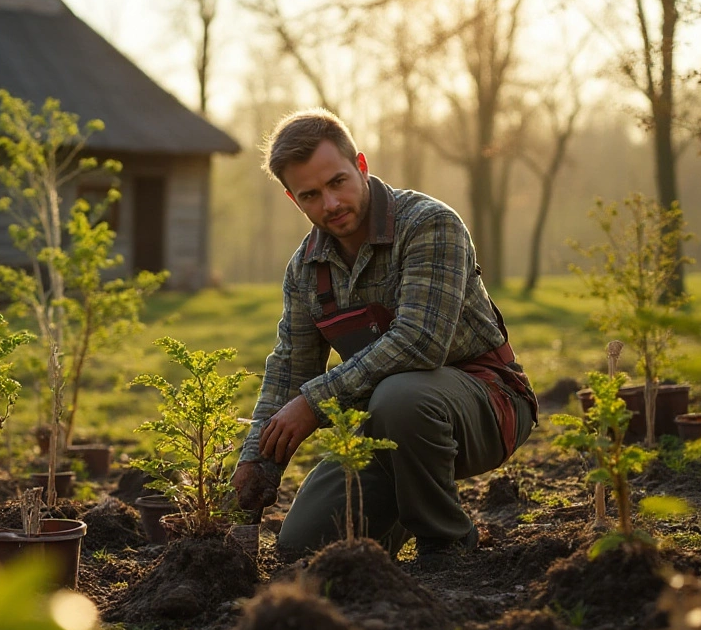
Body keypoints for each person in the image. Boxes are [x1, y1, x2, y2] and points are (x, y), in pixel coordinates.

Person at [230, 108, 537, 564]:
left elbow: (420, 341)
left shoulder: (429, 224)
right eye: (311, 195)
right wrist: (255, 465)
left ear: (362, 166)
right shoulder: (305, 270)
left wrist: (314, 403)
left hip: (486, 404)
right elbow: (290, 370)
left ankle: (447, 543)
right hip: (386, 428)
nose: (330, 204)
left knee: (402, 396)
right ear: (294, 200)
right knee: (307, 548)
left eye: (338, 182)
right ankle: (385, 537)